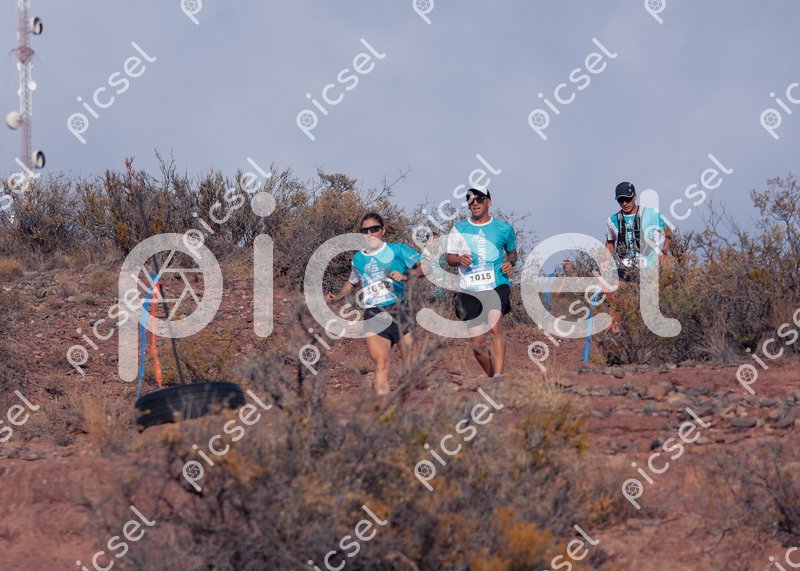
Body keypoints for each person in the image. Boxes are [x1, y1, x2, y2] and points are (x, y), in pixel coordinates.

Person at [326, 213, 423, 396]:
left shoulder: (397, 250)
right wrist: (338, 297)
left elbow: (425, 267)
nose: (370, 234)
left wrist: (406, 275)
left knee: (411, 368)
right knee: (381, 364)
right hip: (374, 314)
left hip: (400, 311)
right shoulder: (358, 258)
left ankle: (406, 407)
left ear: (383, 230)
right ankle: (383, 409)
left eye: (374, 229)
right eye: (365, 231)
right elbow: (353, 281)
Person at [446, 187, 517, 378]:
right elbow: (449, 258)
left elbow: (512, 253)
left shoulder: (504, 228)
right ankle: (492, 376)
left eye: (479, 199)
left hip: (497, 284)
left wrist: (510, 263)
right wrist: (459, 259)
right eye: (470, 200)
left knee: (495, 328)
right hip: (469, 289)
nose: (475, 203)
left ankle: (499, 377)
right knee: (477, 344)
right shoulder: (459, 228)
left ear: (489, 202)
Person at [604, 181, 672, 282]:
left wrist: (664, 253)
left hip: (650, 270)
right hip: (624, 271)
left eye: (627, 199)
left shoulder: (650, 214)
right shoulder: (612, 220)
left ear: (635, 196)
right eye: (620, 200)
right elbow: (610, 242)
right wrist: (606, 260)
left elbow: (668, 232)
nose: (624, 203)